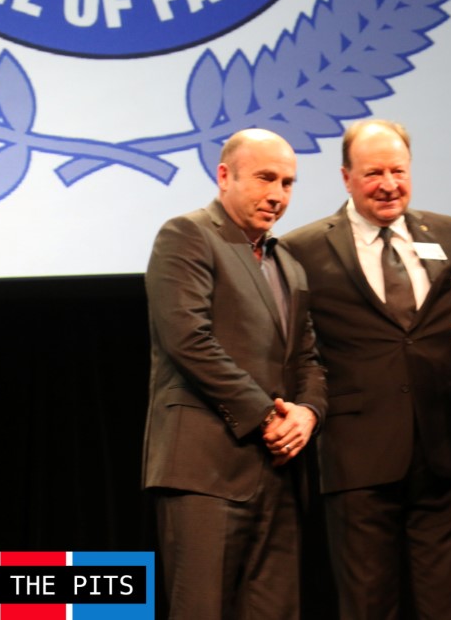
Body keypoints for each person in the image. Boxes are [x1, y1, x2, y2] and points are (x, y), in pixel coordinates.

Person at [283, 119, 451, 620]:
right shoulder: (302, 248)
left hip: (441, 448)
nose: (389, 185)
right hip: (357, 457)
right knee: (368, 606)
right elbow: (299, 350)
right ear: (346, 177)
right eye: (373, 173)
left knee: (449, 604)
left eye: (398, 171)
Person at [142, 128, 327, 619]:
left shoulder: (288, 262)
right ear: (225, 175)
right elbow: (189, 340)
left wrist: (307, 414)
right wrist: (267, 417)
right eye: (265, 178)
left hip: (279, 476)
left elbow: (307, 357)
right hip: (206, 472)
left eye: (287, 182)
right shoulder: (187, 235)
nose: (277, 194)